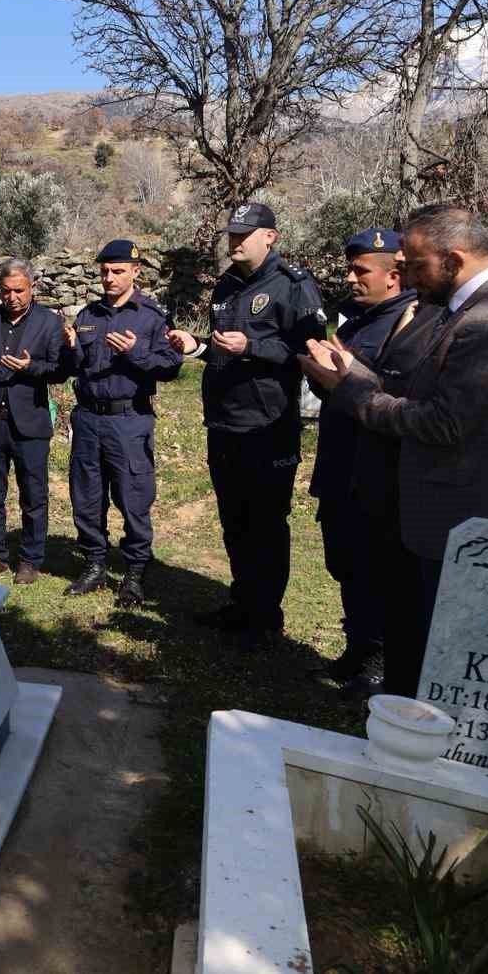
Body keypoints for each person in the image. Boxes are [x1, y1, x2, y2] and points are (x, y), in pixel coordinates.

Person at [299, 204, 488, 696]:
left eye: (416, 265)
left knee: (452, 659)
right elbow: (421, 393)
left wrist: (348, 391)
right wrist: (353, 373)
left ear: (453, 260)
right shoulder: (470, 312)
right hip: (444, 513)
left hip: (471, 516)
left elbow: (442, 422)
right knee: (416, 641)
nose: (410, 277)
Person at [167, 202, 327, 650]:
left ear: (270, 236)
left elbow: (310, 353)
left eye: (244, 234)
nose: (234, 242)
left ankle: (265, 618)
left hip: (267, 426)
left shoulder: (293, 287)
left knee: (266, 525)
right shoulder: (226, 285)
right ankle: (241, 603)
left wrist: (253, 347)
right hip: (224, 424)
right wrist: (196, 345)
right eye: (231, 235)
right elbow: (224, 349)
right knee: (234, 521)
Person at [306, 228, 418, 697]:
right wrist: (323, 376)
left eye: (360, 271)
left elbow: (399, 396)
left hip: (375, 470)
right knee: (345, 561)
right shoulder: (354, 323)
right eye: (349, 269)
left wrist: (346, 373)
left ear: (394, 274)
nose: (350, 278)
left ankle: (380, 660)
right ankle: (358, 644)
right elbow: (335, 393)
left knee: (377, 567)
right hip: (339, 463)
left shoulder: (411, 323)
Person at [60, 240, 182, 607]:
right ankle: (95, 563)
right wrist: (69, 349)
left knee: (133, 497)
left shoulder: (151, 317)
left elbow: (172, 366)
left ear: (135, 271)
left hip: (129, 419)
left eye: (117, 271)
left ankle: (134, 571)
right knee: (86, 495)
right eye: (104, 272)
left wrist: (136, 353)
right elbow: (76, 366)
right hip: (87, 419)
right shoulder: (87, 316)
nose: (109, 278)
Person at [0, 258, 66, 585]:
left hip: (30, 422)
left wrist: (30, 367)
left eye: (19, 290)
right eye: (6, 291)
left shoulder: (49, 322)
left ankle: (30, 560)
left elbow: (60, 370)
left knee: (34, 496)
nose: (13, 297)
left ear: (31, 287)